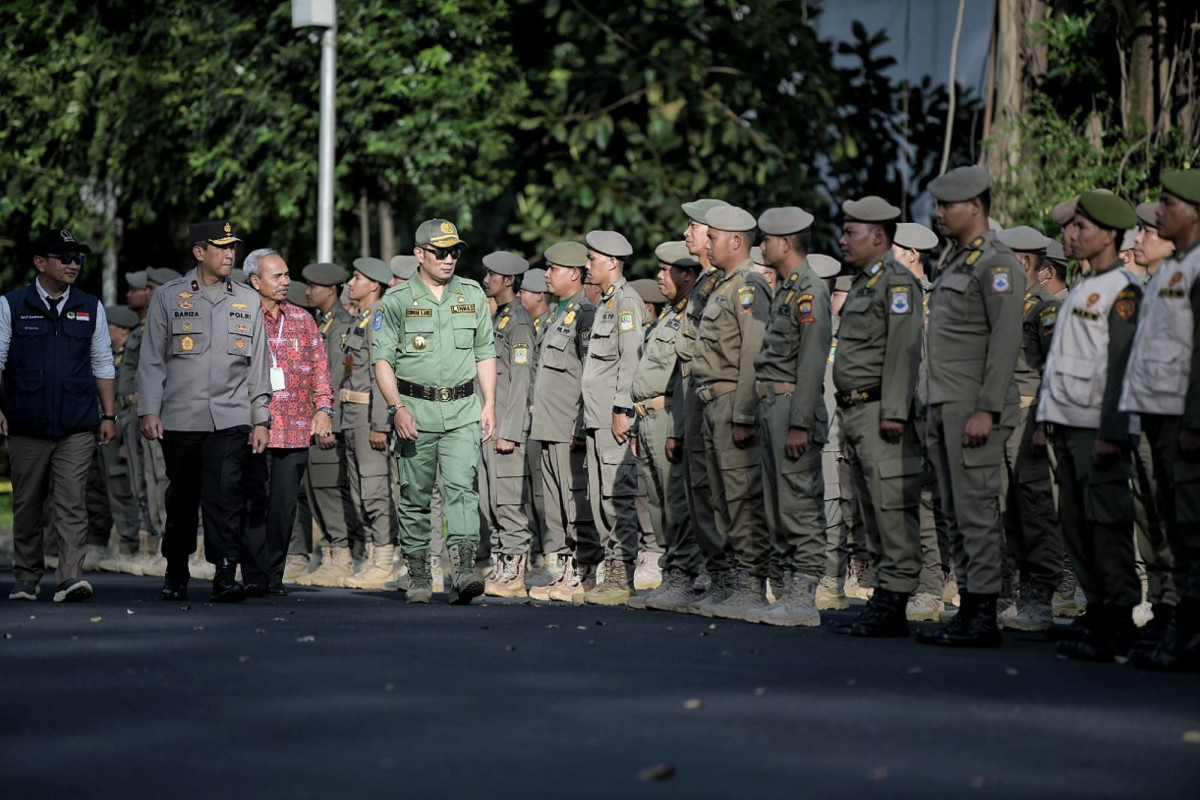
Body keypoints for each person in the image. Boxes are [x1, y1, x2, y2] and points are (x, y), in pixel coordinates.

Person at [916, 166, 1025, 649]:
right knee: (956, 512)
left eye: (947, 206)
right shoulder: (955, 261)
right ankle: (968, 609)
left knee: (977, 509)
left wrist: (987, 409)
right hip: (943, 406)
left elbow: (1004, 342)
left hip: (973, 408)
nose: (939, 214)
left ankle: (983, 613)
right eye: (937, 205)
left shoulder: (997, 264)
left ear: (975, 207)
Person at [137, 220, 272, 603]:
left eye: (234, 247)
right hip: (180, 418)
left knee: (225, 496)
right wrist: (149, 409)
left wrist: (261, 417)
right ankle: (176, 569)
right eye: (221, 247)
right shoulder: (169, 296)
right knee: (182, 499)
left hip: (230, 417)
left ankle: (225, 572)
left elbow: (258, 366)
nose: (230, 254)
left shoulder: (247, 300)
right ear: (200, 252)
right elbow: (151, 360)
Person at [1038, 191, 1142, 662]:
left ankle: (1119, 619)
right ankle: (1097, 612)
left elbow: (1121, 366)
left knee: (1106, 524)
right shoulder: (1083, 286)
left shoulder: (1123, 289)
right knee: (1077, 525)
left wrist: (1112, 431)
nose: (1070, 236)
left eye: (1080, 228)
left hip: (1096, 428)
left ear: (1108, 234)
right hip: (1067, 423)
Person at [373, 218, 497, 605]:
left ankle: (462, 571)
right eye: (441, 252)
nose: (449, 259)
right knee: (415, 495)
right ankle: (419, 575)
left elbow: (485, 353)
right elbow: (382, 361)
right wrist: (396, 408)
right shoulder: (395, 302)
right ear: (420, 254)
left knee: (462, 488)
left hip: (462, 409)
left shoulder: (472, 294)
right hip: (416, 411)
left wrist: (489, 403)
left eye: (455, 252)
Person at [2, 228, 116, 602]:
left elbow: (102, 363)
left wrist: (109, 415)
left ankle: (70, 577)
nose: (73, 264)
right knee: (28, 503)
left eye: (78, 258)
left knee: (72, 502)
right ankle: (26, 578)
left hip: (77, 424)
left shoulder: (90, 306)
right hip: (26, 421)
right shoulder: (11, 305)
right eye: (64, 258)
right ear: (40, 263)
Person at [828, 196, 924, 638]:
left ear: (879, 236)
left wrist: (895, 412)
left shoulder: (898, 283)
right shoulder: (867, 283)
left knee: (890, 506)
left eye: (852, 232)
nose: (844, 239)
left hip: (881, 410)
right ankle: (884, 596)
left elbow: (904, 351)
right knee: (871, 509)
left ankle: (894, 600)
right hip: (856, 411)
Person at [1122, 169, 1200, 671]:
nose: (1159, 213)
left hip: (1182, 418)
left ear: (1193, 212)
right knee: (1171, 523)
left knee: (1191, 528)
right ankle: (1177, 622)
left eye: (1168, 204)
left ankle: (1189, 630)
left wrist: (1195, 419)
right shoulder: (1176, 269)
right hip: (1157, 414)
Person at [747, 207, 835, 626]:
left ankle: (804, 596)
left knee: (799, 502)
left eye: (766, 239)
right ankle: (785, 589)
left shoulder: (809, 291)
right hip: (771, 407)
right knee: (777, 504)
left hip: (791, 409)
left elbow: (812, 364)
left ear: (786, 243)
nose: (761, 246)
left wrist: (800, 423)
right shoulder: (786, 290)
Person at [689, 205, 773, 621]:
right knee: (719, 496)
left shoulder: (748, 286)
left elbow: (753, 356)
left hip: (730, 402)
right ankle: (727, 581)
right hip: (709, 402)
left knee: (742, 495)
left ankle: (750, 583)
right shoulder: (720, 287)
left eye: (714, 237)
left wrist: (743, 414)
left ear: (736, 241)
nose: (707, 243)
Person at [240, 248, 333, 596]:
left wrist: (324, 409)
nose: (286, 282)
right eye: (277, 276)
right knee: (252, 505)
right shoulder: (241, 317)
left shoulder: (302, 319)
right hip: (254, 428)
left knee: (283, 508)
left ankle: (274, 575)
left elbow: (321, 369)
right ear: (255, 280)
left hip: (295, 429)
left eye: (286, 275)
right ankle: (253, 573)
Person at [992, 225, 1064, 633]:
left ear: (1024, 261)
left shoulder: (1045, 308)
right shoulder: (1005, 306)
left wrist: (1044, 423)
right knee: (1005, 512)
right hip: (1001, 419)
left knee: (1037, 511)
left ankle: (1041, 601)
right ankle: (1011, 596)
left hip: (1029, 419)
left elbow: (1054, 368)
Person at [626, 241, 702, 611]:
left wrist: (678, 428)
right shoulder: (671, 314)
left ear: (686, 274)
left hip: (670, 414)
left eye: (665, 270)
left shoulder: (693, 312)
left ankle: (685, 575)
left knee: (676, 502)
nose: (659, 276)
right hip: (648, 417)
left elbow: (684, 376)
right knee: (657, 501)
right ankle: (671, 572)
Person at [525, 242, 601, 603]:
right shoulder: (560, 313)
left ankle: (584, 569)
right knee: (555, 504)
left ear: (574, 273)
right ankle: (567, 568)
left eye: (553, 268)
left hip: (568, 426)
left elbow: (590, 374)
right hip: (548, 425)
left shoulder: (585, 314)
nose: (546, 274)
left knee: (576, 502)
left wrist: (581, 424)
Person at [668, 198, 730, 611]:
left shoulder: (732, 284)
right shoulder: (707, 284)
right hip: (695, 399)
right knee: (699, 495)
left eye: (692, 226)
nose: (687, 233)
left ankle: (732, 580)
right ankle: (714, 577)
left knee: (726, 496)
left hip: (720, 402)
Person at [579, 229, 646, 605]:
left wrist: (623, 409)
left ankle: (623, 575)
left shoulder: (626, 302)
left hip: (612, 417)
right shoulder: (606, 302)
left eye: (591, 259)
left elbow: (631, 359)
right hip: (596, 416)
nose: (587, 265)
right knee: (599, 496)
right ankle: (611, 574)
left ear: (611, 262)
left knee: (616, 497)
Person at [890, 221, 951, 623]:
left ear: (913, 254)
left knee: (944, 504)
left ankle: (945, 584)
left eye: (892, 248)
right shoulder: (894, 298)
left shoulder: (939, 298)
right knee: (911, 505)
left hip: (936, 415)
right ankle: (923, 585)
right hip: (903, 415)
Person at [293, 262, 360, 587]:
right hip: (312, 420)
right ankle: (333, 553)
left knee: (329, 488)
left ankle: (343, 555)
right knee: (314, 488)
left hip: (325, 420)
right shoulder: (323, 323)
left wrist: (327, 419)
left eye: (313, 286)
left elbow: (334, 376)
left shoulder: (341, 326)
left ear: (331, 289)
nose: (307, 292)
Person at [338, 257, 401, 590]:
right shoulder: (360, 319)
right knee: (360, 491)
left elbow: (381, 373)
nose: (351, 282)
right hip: (351, 416)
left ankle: (384, 561)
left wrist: (380, 423)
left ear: (374, 285)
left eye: (358, 277)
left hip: (368, 418)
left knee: (375, 490)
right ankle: (374, 557)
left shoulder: (378, 317)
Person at [479, 251, 537, 598]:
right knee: (491, 500)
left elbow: (521, 378)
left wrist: (510, 432)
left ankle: (514, 570)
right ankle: (501, 564)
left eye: (492, 275)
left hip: (505, 430)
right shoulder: (499, 318)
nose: (486, 280)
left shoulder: (518, 322)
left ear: (509, 281)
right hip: (490, 425)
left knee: (508, 500)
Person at [86, 305, 142, 570]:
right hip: (104, 427)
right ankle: (100, 542)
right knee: (98, 486)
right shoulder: (106, 355)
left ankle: (130, 545)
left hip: (123, 427)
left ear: (121, 329)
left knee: (122, 487)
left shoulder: (134, 354)